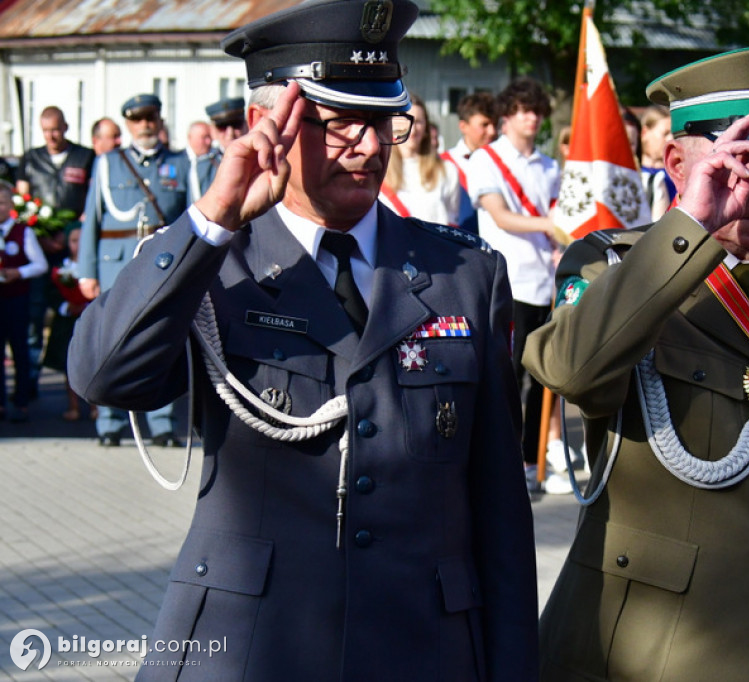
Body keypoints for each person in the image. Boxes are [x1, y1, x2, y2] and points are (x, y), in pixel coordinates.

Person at [68, 0, 537, 678]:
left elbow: (499, 511)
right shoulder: (213, 262)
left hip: (423, 647)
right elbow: (102, 375)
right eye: (343, 123)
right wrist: (211, 222)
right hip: (253, 644)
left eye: (384, 121)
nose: (371, 146)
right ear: (267, 126)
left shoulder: (463, 273)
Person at [523, 45, 749, 681]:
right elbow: (571, 371)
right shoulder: (611, 268)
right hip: (659, 655)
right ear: (678, 164)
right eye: (745, 164)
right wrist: (691, 222)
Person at [467, 76, 570, 494]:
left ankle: (534, 458)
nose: (531, 118)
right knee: (505, 376)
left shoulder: (549, 166)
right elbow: (500, 216)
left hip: (545, 281)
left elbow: (564, 218)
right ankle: (501, 458)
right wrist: (550, 225)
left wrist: (563, 240)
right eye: (522, 110)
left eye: (536, 111)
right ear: (506, 116)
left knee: (544, 376)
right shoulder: (486, 160)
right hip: (506, 281)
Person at [78, 93, 191, 448]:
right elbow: (92, 221)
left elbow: (192, 217)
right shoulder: (109, 163)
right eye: (138, 119)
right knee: (111, 342)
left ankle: (161, 424)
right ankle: (109, 423)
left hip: (162, 264)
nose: (145, 125)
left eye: (151, 118)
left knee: (164, 338)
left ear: (159, 120)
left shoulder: (179, 162)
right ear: (127, 124)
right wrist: (87, 271)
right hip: (117, 263)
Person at [15, 105, 96, 400]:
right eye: (46, 130)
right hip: (40, 247)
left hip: (74, 247)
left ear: (66, 127)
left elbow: (91, 200)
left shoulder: (84, 156)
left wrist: (73, 234)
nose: (52, 136)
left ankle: (81, 388)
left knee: (79, 315)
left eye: (56, 129)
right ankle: (29, 387)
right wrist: (41, 237)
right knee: (35, 316)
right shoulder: (30, 159)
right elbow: (21, 202)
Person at [0, 181, 48, 423]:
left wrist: (18, 273)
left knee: (20, 349)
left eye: (2, 203)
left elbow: (40, 265)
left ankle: (21, 401)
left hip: (16, 299)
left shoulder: (23, 231)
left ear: (11, 206)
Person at [42, 222, 95, 421]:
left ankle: (95, 406)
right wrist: (67, 306)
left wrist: (87, 306)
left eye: (82, 239)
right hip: (67, 323)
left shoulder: (95, 266)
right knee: (69, 365)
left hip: (91, 321)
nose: (78, 245)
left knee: (92, 364)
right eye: (73, 240)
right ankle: (73, 406)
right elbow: (52, 292)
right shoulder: (61, 267)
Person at [380, 94, 461, 225]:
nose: (412, 129)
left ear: (426, 127)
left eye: (418, 122)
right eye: (405, 120)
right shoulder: (379, 169)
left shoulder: (446, 170)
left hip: (434, 244)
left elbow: (452, 220)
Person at [440, 91, 497, 233]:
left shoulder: (503, 163)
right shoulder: (444, 164)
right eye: (484, 125)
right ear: (463, 126)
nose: (492, 131)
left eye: (495, 124)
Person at [640, 105, 674, 220]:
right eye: (665, 134)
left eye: (673, 134)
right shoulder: (633, 173)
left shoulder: (679, 174)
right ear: (645, 133)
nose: (670, 139)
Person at [185, 120, 218, 197]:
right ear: (190, 137)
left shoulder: (216, 162)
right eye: (204, 137)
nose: (209, 142)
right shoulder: (178, 162)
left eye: (210, 137)